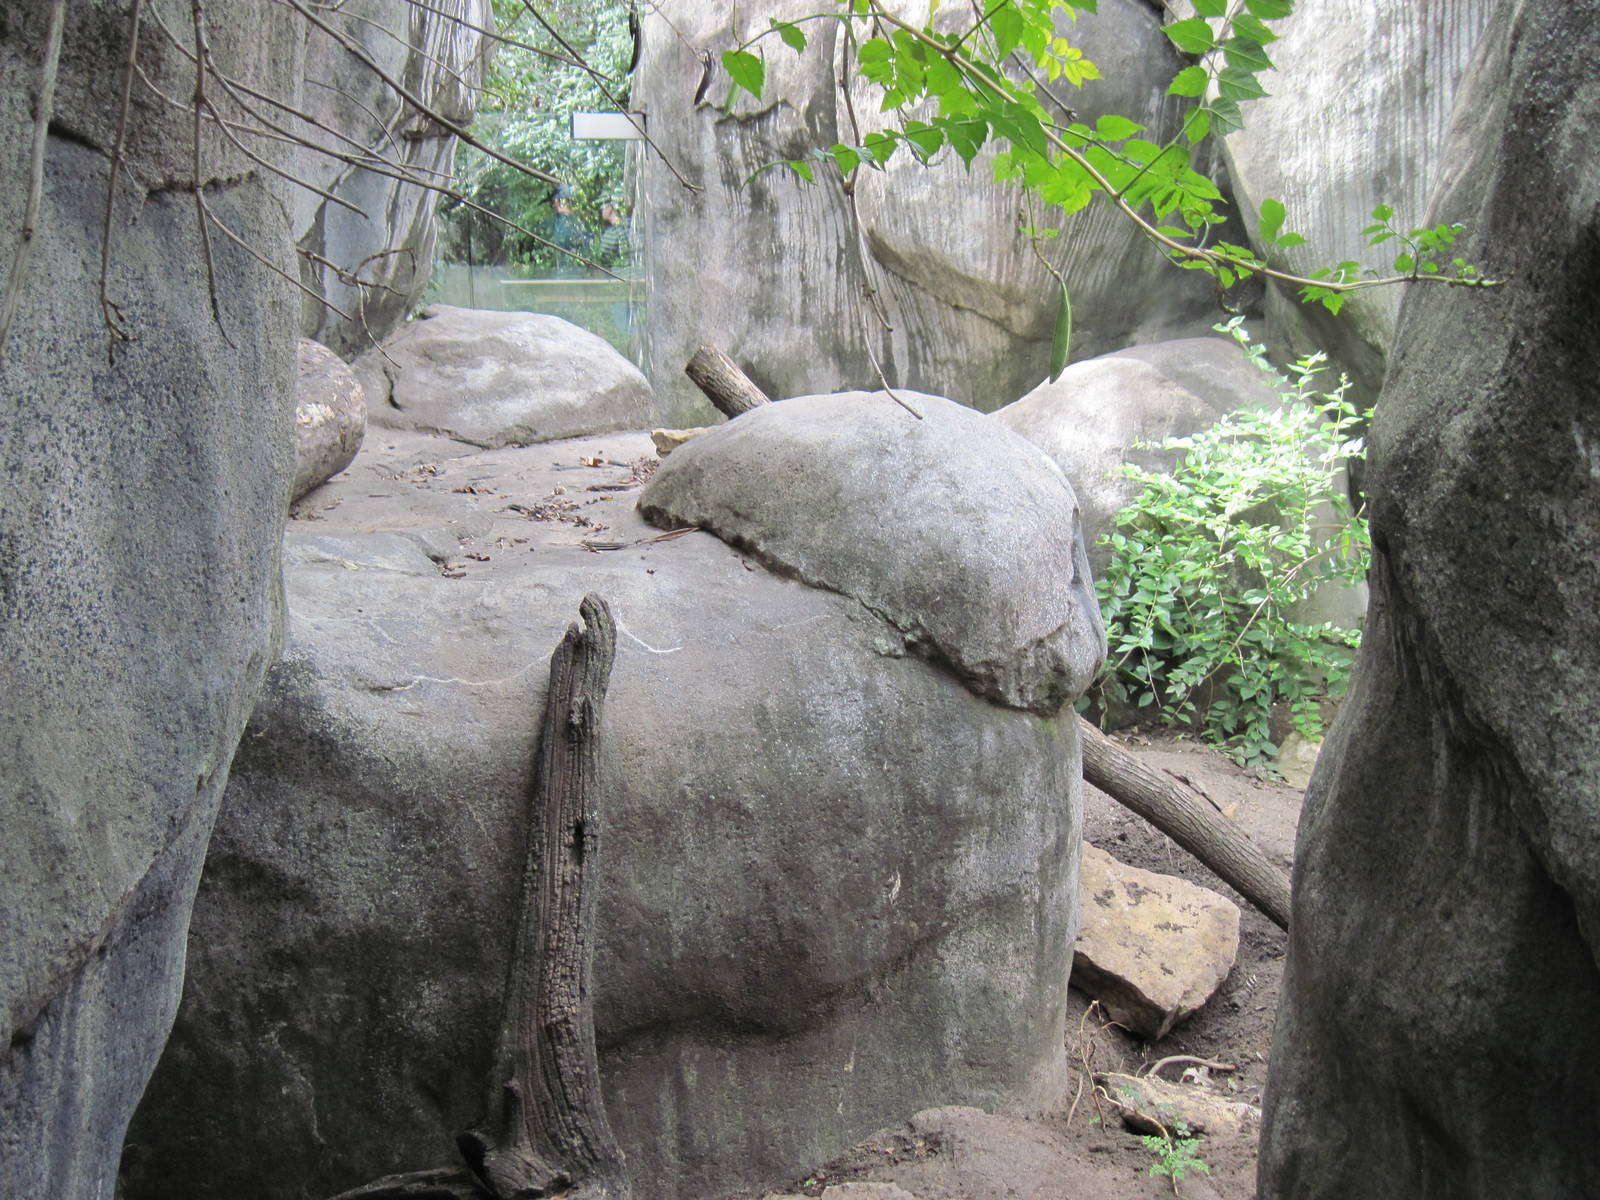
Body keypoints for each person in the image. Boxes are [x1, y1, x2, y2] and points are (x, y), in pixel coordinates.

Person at [595, 199, 632, 270]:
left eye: (602, 207)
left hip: (621, 273)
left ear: (610, 208)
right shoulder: (631, 223)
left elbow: (603, 257)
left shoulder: (613, 232)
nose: (601, 210)